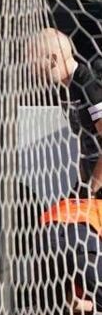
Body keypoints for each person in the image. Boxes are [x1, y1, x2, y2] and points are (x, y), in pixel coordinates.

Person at [33, 27, 102, 195]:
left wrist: (90, 189)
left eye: (34, 60)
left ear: (52, 59)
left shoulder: (90, 85)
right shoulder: (62, 88)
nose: (31, 68)